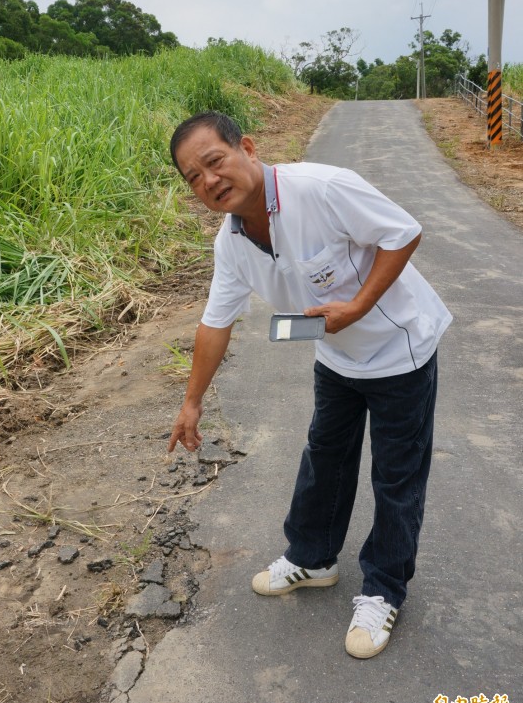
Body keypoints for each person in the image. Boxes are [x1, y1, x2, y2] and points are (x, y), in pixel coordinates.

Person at [167, 110, 452, 659]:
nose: (208, 181)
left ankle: (383, 589)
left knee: (396, 475)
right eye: (193, 177)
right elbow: (215, 322)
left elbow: (403, 232)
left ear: (246, 147)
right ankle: (313, 558)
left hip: (400, 350)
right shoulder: (232, 244)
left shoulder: (320, 187)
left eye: (214, 161)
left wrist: (358, 306)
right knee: (325, 455)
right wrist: (191, 401)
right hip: (337, 356)